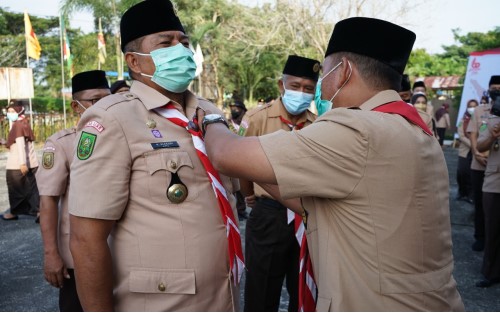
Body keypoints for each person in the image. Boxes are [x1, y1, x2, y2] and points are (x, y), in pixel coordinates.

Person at [197, 17, 464, 311]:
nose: (320, 89)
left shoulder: (356, 129)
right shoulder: (415, 130)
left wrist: (210, 118)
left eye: (324, 74)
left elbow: (224, 154)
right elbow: (325, 207)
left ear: (344, 71)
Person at [68, 0, 242, 311]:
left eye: (184, 42)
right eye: (166, 42)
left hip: (221, 296)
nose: (182, 50)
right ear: (134, 61)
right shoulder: (112, 120)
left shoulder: (209, 112)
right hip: (162, 302)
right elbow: (86, 238)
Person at [238, 54, 319, 312]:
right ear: (281, 86)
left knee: (303, 286)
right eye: (295, 86)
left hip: (306, 215)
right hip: (269, 214)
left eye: (308, 88)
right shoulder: (256, 118)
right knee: (261, 289)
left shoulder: (318, 125)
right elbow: (240, 161)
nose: (301, 93)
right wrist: (248, 194)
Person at [36, 70, 110, 312]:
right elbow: (47, 201)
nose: (104, 107)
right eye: (95, 101)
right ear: (76, 107)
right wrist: (51, 255)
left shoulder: (125, 139)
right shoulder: (63, 144)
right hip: (79, 258)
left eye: (108, 99)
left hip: (123, 252)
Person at [466, 76, 499, 252]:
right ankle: (480, 236)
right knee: (479, 203)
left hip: (496, 165)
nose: (497, 91)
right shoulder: (479, 110)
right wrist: (476, 153)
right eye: (494, 88)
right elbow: (472, 133)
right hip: (479, 163)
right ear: (488, 89)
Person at [476, 91, 500, 288]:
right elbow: (480, 144)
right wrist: (492, 136)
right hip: (493, 181)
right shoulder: (491, 121)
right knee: (492, 229)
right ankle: (490, 273)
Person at [1, 101, 39, 221]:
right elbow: (20, 142)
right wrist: (4, 142)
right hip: (31, 162)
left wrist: (22, 163)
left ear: (19, 111)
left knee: (15, 189)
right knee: (32, 189)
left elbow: (21, 145)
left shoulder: (17, 125)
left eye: (12, 111)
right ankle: (39, 212)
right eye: (8, 111)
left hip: (17, 163)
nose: (9, 114)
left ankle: (14, 213)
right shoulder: (24, 122)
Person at [456, 99, 478, 203]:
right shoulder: (462, 120)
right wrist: (473, 145)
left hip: (477, 151)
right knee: (462, 172)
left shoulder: (480, 120)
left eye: (474, 106)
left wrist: (476, 146)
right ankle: (462, 192)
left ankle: (471, 195)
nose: (472, 108)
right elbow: (461, 136)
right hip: (465, 150)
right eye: (470, 106)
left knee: (472, 174)